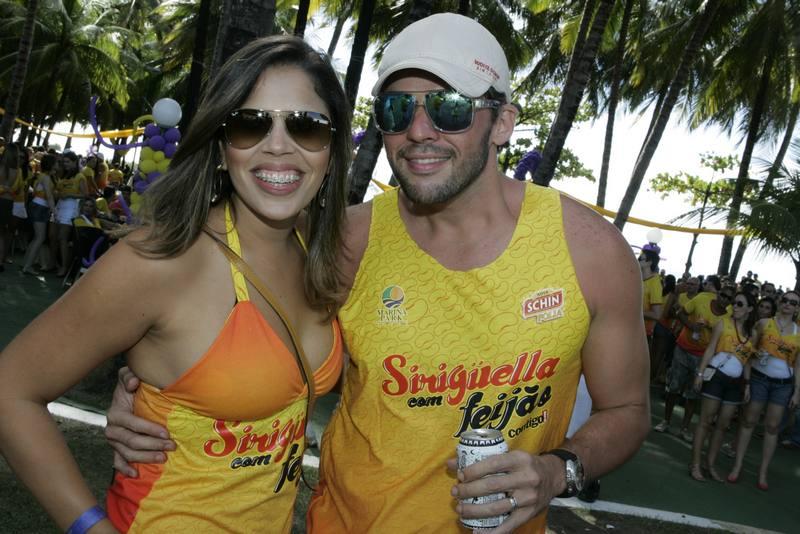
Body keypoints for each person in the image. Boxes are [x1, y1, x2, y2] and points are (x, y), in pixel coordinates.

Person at [107, 14, 650, 533]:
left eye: (450, 108)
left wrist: (558, 471)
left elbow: (627, 410)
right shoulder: (345, 242)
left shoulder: (590, 252)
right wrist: (147, 392)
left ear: (502, 123)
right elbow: (228, 329)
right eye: (396, 110)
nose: (419, 131)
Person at [0, 35, 351, 533]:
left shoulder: (322, 248)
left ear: (332, 150)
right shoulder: (162, 261)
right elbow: (10, 392)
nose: (278, 145)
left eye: (307, 126)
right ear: (221, 148)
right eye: (250, 124)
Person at [728, 291, 800, 490]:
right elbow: (748, 351)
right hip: (759, 379)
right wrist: (747, 381)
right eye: (785, 300)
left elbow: (798, 365)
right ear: (780, 302)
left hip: (783, 384)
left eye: (793, 303)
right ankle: (737, 466)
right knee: (749, 421)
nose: (788, 304)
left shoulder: (798, 332)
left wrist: (797, 391)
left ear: (797, 308)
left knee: (772, 427)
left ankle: (763, 472)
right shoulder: (764, 323)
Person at [689, 291, 756, 482]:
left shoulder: (752, 333)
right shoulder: (722, 323)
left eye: (740, 304)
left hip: (735, 383)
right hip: (716, 376)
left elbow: (748, 361)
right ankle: (695, 464)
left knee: (723, 425)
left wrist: (747, 384)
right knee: (706, 421)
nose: (734, 306)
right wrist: (700, 373)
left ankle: (709, 464)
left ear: (750, 309)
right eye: (734, 303)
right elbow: (710, 349)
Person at [654, 286, 733, 441]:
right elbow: (680, 312)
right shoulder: (702, 298)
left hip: (703, 357)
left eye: (729, 298)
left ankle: (684, 428)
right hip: (683, 349)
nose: (725, 299)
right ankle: (666, 421)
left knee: (693, 394)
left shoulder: (729, 314)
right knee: (673, 387)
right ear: (718, 294)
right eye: (723, 295)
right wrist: (691, 326)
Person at [51, 151, 88, 276]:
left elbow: (85, 195)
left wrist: (71, 195)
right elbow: (58, 189)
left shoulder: (80, 176)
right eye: (64, 162)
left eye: (67, 162)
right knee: (53, 236)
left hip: (71, 208)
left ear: (74, 162)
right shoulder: (64, 175)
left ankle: (64, 267)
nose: (65, 164)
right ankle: (52, 263)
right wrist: (57, 193)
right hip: (59, 206)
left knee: (63, 238)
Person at [21, 153, 57, 275]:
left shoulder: (44, 176)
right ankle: (27, 266)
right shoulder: (46, 178)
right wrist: (54, 211)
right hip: (40, 207)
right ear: (51, 164)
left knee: (37, 237)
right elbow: (49, 195)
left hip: (38, 206)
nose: (58, 165)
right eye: (56, 163)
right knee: (40, 238)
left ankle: (26, 263)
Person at [0, 142, 21, 271]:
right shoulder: (17, 171)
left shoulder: (1, 167)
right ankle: (1, 261)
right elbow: (18, 189)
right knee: (2, 233)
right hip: (8, 202)